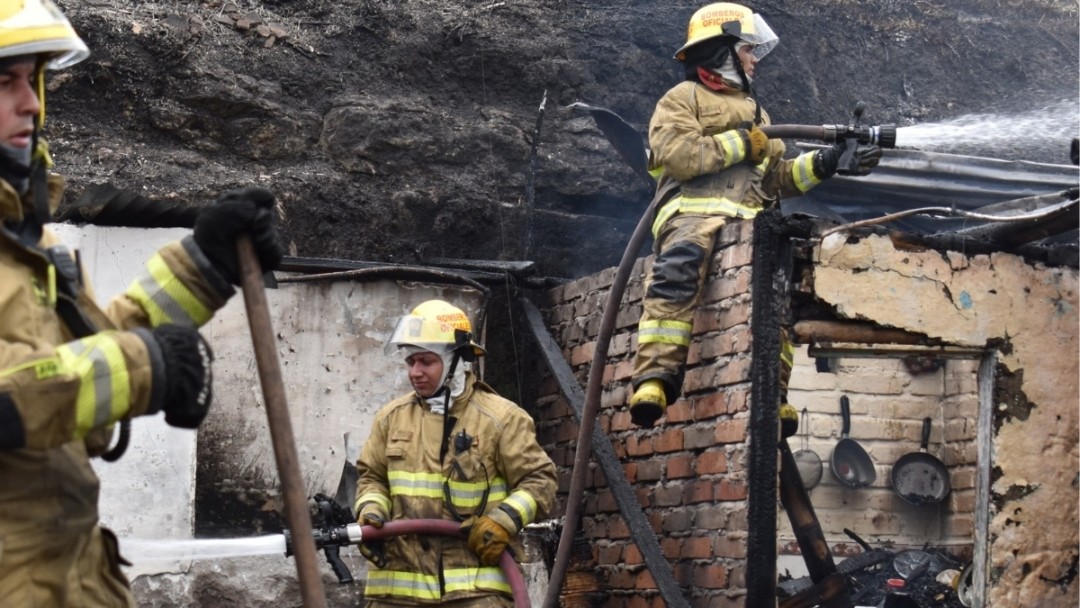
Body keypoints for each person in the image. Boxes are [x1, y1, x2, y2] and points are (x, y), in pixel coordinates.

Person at [0, 2, 284, 606]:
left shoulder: (27, 244)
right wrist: (144, 366)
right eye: (6, 83)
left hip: (66, 580)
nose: (31, 104)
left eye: (33, 80)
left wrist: (204, 267)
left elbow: (91, 351)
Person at [628, 2, 882, 427]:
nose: (754, 61)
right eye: (747, 50)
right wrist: (744, 144)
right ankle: (654, 379)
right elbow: (680, 155)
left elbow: (777, 179)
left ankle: (775, 392)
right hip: (693, 218)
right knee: (675, 279)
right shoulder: (682, 99)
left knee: (776, 303)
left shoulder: (759, 115)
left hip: (751, 226)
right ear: (720, 51)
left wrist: (829, 162)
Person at [355, 299, 557, 606]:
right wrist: (371, 513)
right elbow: (372, 478)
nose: (415, 372)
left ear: (460, 360)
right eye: (410, 362)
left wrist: (504, 521)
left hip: (475, 593)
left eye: (426, 361)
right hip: (397, 593)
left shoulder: (501, 419)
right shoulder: (390, 418)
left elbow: (539, 481)